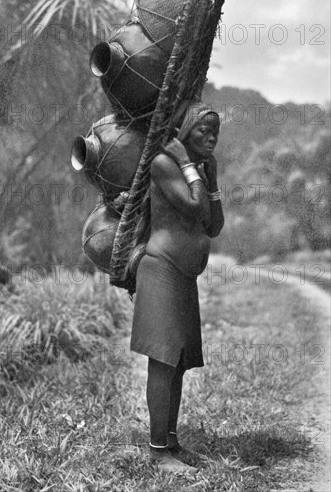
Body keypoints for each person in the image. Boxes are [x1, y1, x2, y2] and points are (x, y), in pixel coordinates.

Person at [130, 101, 225, 473]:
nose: (213, 137)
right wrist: (187, 163)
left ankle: (170, 441)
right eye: (205, 130)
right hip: (161, 271)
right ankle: (157, 453)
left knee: (180, 362)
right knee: (163, 360)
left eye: (216, 131)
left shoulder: (197, 171)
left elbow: (213, 225)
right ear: (185, 132)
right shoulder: (164, 164)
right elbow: (192, 207)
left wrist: (211, 177)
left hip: (183, 277)